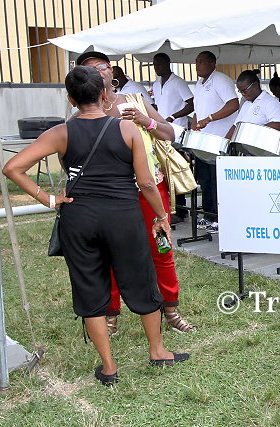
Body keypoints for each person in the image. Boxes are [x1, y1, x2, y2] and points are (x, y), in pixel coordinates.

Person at [3, 66, 189, 386]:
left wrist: (48, 198)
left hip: (79, 218)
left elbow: (12, 168)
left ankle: (109, 367)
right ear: (104, 94)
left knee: (90, 288)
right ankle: (158, 351)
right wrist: (161, 216)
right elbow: (146, 183)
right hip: (124, 216)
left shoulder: (60, 133)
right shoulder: (127, 129)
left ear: (71, 99)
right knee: (142, 281)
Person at [75, 51, 196, 335]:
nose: (98, 72)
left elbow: (169, 134)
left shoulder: (135, 100)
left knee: (161, 248)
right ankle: (111, 315)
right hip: (109, 194)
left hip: (150, 189)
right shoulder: (83, 111)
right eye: (90, 69)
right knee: (109, 254)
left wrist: (145, 120)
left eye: (102, 66)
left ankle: (171, 310)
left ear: (111, 71)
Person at [192, 50, 239, 232]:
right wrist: (194, 127)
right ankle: (208, 214)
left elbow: (233, 104)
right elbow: (198, 110)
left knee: (217, 181)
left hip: (219, 140)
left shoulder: (220, 80)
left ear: (213, 63)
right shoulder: (199, 84)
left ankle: (221, 217)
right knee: (205, 180)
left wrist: (210, 118)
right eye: (196, 62)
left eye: (202, 62)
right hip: (203, 142)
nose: (198, 65)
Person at [151, 52, 195, 224]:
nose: (157, 68)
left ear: (167, 64)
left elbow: (191, 104)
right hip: (161, 131)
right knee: (164, 170)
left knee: (176, 169)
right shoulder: (156, 84)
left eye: (160, 64)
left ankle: (181, 210)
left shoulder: (178, 82)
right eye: (155, 65)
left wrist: (172, 117)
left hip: (176, 131)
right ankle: (170, 207)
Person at [225, 70, 280, 140]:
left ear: (255, 85)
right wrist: (225, 141)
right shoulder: (246, 104)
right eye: (240, 91)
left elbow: (279, 124)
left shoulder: (270, 102)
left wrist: (254, 131)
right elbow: (235, 126)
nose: (243, 94)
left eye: (245, 90)